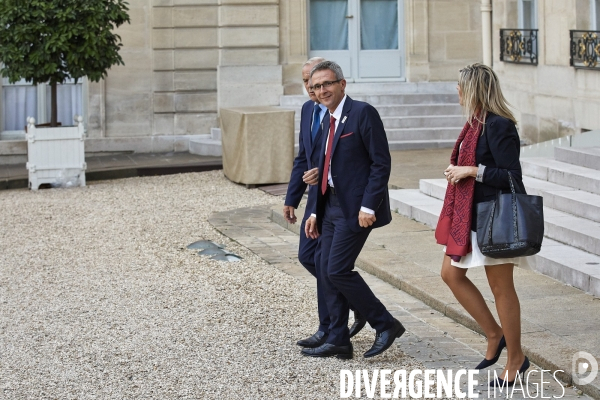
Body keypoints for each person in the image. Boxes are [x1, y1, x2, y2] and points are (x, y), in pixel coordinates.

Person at [301, 61, 404, 360]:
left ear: (342, 84)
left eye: (327, 84)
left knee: (337, 269)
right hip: (330, 205)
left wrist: (368, 205)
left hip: (355, 209)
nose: (322, 90)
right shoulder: (326, 119)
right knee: (323, 266)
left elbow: (380, 163)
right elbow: (328, 168)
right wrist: (314, 212)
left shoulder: (362, 113)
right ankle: (338, 339)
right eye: (317, 86)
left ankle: (385, 323)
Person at [435, 63, 530, 387]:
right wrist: (459, 170)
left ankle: (515, 358)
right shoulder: (474, 125)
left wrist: (472, 171)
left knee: (502, 288)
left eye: (461, 86)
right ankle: (494, 333)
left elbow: (512, 177)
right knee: (450, 274)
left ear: (473, 89)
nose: (457, 92)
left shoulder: (500, 126)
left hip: (495, 218)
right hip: (471, 218)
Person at [284, 58, 367, 350]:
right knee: (309, 258)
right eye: (307, 82)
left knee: (327, 265)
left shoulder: (348, 113)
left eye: (316, 82)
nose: (311, 88)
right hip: (315, 201)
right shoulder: (308, 110)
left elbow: (355, 159)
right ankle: (347, 307)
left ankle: (330, 329)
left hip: (337, 199)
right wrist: (292, 197)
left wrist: (327, 169)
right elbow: (302, 157)